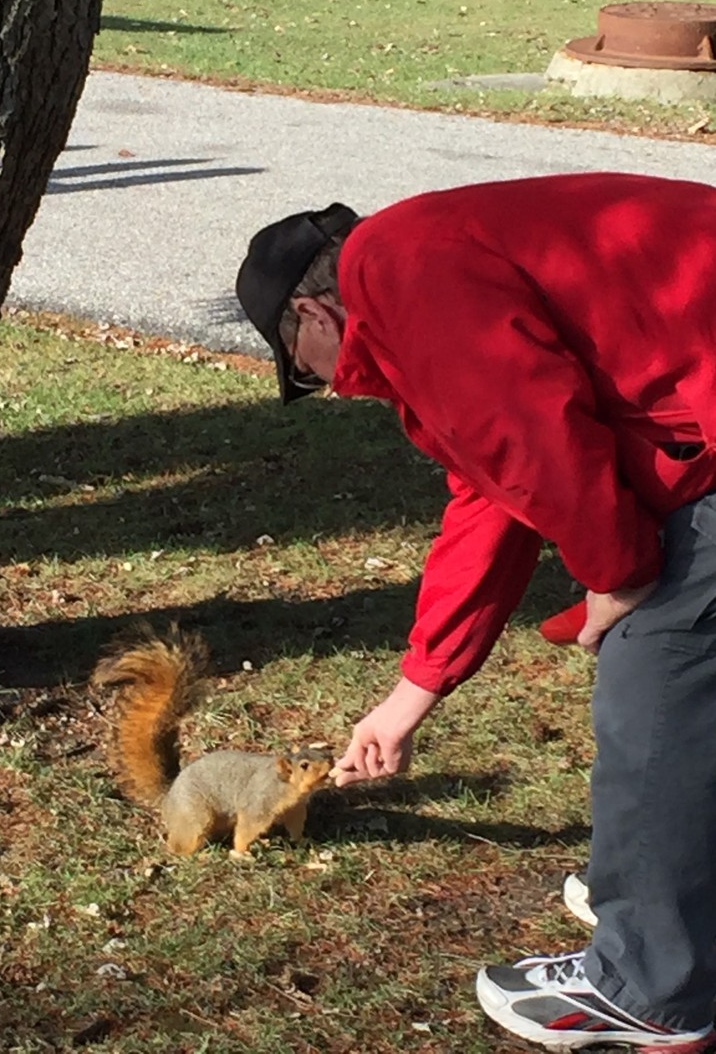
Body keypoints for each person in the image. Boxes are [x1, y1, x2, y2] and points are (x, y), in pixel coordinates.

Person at [235, 172, 716, 1052]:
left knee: (656, 671)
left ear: (308, 315)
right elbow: (489, 496)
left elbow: (535, 435)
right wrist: (411, 695)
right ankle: (678, 893)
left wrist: (617, 574)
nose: (325, 385)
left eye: (301, 372)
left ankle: (650, 985)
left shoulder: (401, 270)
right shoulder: (427, 259)